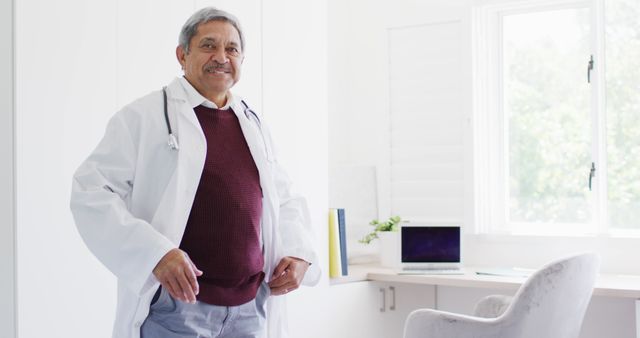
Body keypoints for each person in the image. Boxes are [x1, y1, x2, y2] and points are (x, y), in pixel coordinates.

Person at [70, 7, 320, 338]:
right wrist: (156, 254)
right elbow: (90, 192)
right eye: (208, 46)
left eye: (232, 49)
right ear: (182, 54)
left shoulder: (252, 123)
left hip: (250, 310)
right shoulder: (143, 117)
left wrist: (298, 252)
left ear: (242, 59)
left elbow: (283, 197)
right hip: (178, 310)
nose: (221, 57)